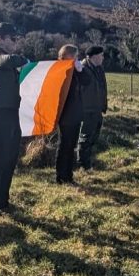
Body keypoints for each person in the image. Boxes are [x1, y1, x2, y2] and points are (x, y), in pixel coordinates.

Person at [0, 22, 28, 216]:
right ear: (0, 39)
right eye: (13, 38)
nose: (16, 42)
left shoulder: (8, 61)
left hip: (11, 113)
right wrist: (24, 60)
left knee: (9, 159)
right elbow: (8, 60)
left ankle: (3, 201)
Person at [54, 44, 90, 184]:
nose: (76, 58)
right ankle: (60, 176)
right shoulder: (59, 68)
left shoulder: (75, 70)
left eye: (77, 56)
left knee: (71, 145)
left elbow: (87, 81)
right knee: (64, 145)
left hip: (75, 113)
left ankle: (68, 175)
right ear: (66, 55)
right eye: (74, 56)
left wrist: (80, 70)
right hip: (64, 114)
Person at [77, 45, 108, 171]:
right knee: (85, 138)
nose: (103, 58)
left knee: (93, 138)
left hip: (97, 109)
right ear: (94, 56)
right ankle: (82, 164)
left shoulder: (99, 69)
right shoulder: (83, 69)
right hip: (87, 110)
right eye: (101, 55)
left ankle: (88, 162)